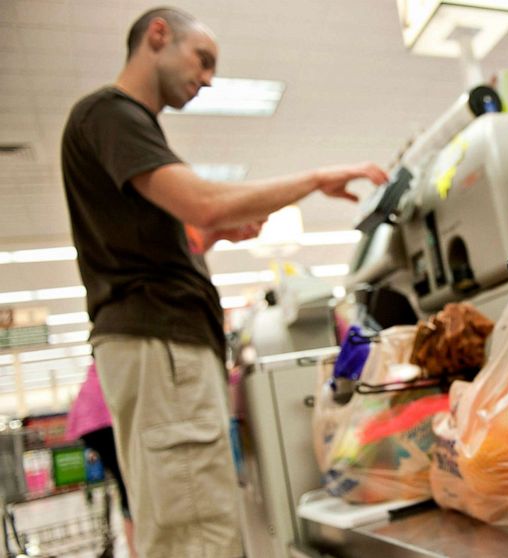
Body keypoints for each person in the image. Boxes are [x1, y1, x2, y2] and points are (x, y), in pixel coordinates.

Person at [59, 7, 388, 557]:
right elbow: (202, 201)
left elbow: (171, 234)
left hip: (165, 346)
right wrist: (312, 179)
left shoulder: (126, 128)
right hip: (162, 346)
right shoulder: (110, 114)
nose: (208, 78)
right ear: (158, 35)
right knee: (196, 529)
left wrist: (215, 235)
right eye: (202, 60)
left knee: (187, 517)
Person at [66, 362, 137, 557]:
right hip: (101, 420)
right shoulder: (121, 348)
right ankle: (136, 550)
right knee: (130, 486)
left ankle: (135, 549)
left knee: (128, 486)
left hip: (92, 421)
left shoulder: (104, 356)